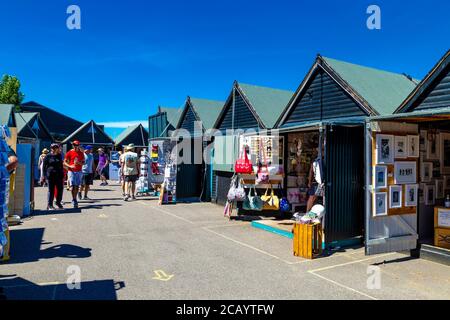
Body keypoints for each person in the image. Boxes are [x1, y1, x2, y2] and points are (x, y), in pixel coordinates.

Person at [64, 141, 85, 208]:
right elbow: (64, 162)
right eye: (74, 145)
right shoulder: (69, 152)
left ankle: (74, 198)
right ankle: (74, 199)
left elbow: (83, 163)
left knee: (76, 186)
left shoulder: (81, 153)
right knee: (73, 186)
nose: (75, 146)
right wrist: (70, 166)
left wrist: (78, 162)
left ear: (79, 145)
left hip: (79, 171)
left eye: (77, 145)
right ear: (72, 145)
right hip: (71, 171)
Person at [43, 144, 64, 210]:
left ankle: (58, 202)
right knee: (51, 190)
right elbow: (44, 167)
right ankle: (50, 205)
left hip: (59, 175)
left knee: (60, 189)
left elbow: (61, 165)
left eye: (55, 147)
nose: (54, 149)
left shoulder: (59, 155)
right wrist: (44, 176)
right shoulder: (48, 156)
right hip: (50, 176)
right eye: (53, 148)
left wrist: (62, 173)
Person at [307, 148, 324, 212]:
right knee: (312, 197)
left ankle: (311, 212)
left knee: (315, 197)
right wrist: (309, 182)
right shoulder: (316, 161)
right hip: (315, 182)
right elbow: (311, 172)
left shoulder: (321, 160)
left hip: (319, 182)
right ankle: (307, 212)